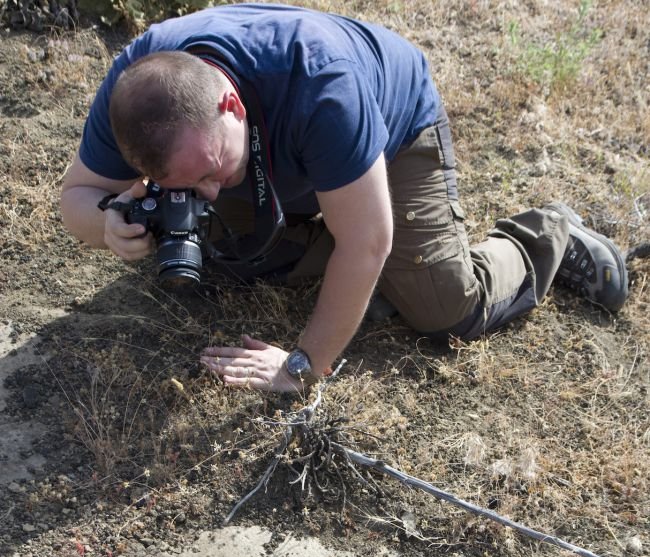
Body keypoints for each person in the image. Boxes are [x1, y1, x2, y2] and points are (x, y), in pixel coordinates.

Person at [60, 3, 628, 393]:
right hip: (290, 152)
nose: (205, 195)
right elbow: (78, 198)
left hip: (392, 130)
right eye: (185, 188)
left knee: (443, 307)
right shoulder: (137, 97)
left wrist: (302, 364)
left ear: (229, 106)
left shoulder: (324, 85)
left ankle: (545, 235)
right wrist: (107, 225)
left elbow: (368, 239)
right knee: (225, 258)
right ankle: (347, 253)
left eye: (211, 172)